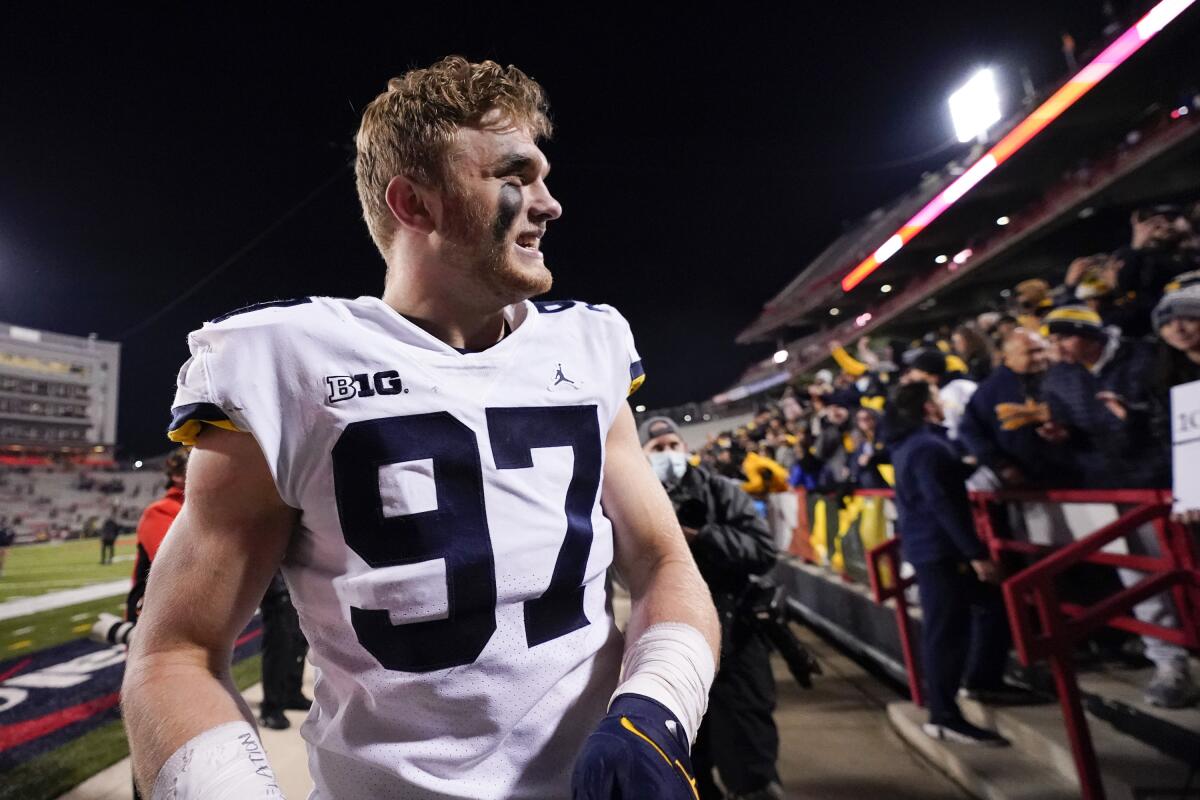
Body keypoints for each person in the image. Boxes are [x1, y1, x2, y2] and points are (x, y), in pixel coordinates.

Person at [122, 57, 719, 800]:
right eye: (515, 175)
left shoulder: (588, 348)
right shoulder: (286, 365)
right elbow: (174, 652)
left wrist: (657, 707)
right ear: (414, 203)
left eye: (543, 176)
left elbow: (665, 562)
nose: (549, 203)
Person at [1041, 305, 1194, 707]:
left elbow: (1177, 411)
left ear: (1089, 334)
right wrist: (1060, 436)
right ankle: (1169, 663)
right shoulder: (1059, 376)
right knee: (1139, 577)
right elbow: (1072, 436)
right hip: (1113, 489)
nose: (1056, 347)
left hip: (1168, 482)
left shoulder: (1144, 357)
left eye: (1063, 337)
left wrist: (1135, 418)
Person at [639, 417, 782, 800]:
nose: (669, 454)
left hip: (736, 633)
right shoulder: (638, 502)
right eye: (657, 449)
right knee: (687, 760)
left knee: (750, 751)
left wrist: (703, 537)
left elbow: (763, 551)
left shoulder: (723, 492)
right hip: (673, 643)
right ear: (642, 456)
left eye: (673, 445)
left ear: (685, 448)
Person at [885, 382, 1010, 746]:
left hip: (933, 549)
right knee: (946, 634)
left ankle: (983, 681)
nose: (942, 405)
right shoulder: (926, 446)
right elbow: (943, 503)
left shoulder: (914, 445)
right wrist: (976, 554)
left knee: (990, 607)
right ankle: (943, 715)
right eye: (937, 399)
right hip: (940, 553)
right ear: (926, 407)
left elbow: (943, 485)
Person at [958, 329, 1064, 488]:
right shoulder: (989, 391)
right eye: (1030, 352)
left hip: (1075, 474)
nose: (1039, 357)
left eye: (1041, 350)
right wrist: (1000, 464)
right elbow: (970, 431)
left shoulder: (1060, 375)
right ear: (1008, 357)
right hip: (1029, 485)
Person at [126, 449, 187, 623]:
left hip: (184, 611)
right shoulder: (160, 510)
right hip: (157, 616)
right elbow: (172, 563)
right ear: (176, 475)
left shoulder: (201, 509)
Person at [257, 571, 312, 731]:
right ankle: (271, 707)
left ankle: (291, 693)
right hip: (276, 589)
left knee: (297, 643)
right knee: (278, 647)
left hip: (295, 586)